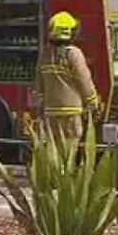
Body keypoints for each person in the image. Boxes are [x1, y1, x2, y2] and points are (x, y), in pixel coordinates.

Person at [36, 10, 101, 149]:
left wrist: (40, 105)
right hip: (71, 113)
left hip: (51, 112)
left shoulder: (45, 54)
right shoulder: (73, 54)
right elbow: (84, 80)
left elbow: (39, 83)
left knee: (54, 149)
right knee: (70, 149)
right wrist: (92, 103)